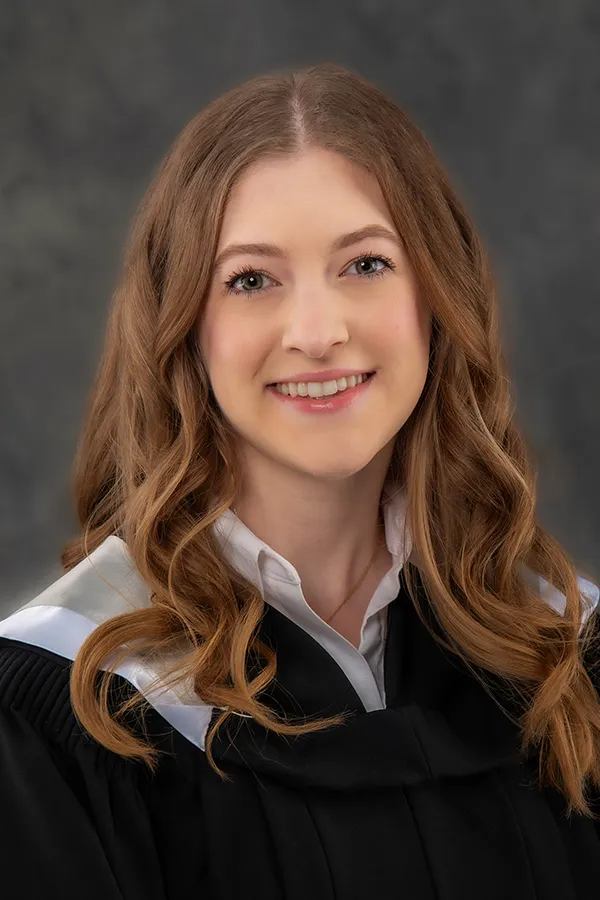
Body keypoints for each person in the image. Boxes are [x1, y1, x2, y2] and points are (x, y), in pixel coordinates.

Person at [0, 62, 599, 900]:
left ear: (438, 295)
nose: (317, 332)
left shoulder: (565, 650)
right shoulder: (69, 705)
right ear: (183, 330)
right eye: (251, 280)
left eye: (366, 264)